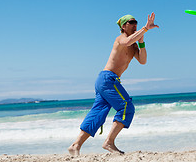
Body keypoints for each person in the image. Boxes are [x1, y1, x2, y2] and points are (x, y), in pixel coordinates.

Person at [68, 12, 159, 155]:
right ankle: (109, 142)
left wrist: (141, 41)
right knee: (126, 106)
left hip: (105, 81)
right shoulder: (121, 38)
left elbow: (143, 61)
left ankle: (75, 145)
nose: (135, 24)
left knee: (98, 113)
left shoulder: (134, 45)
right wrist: (145, 29)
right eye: (132, 22)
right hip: (107, 78)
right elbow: (127, 41)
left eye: (136, 22)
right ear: (123, 26)